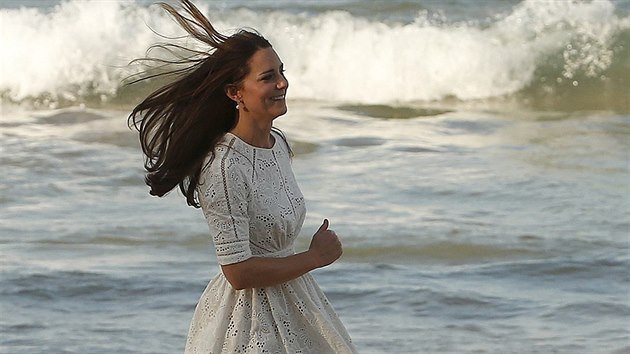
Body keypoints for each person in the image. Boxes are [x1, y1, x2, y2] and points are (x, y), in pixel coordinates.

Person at [127, 1, 357, 353]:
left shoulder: (277, 145)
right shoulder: (222, 165)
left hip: (297, 301)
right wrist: (314, 258)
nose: (282, 82)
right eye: (267, 77)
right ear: (236, 93)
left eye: (281, 71)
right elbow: (238, 273)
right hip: (250, 324)